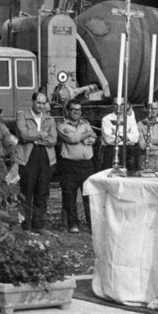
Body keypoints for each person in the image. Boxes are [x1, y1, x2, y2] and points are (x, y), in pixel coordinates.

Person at [15, 92, 57, 232]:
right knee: (26, 190)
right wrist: (40, 135)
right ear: (32, 102)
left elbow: (52, 140)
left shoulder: (49, 119)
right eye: (38, 102)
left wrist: (33, 137)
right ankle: (25, 225)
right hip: (28, 156)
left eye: (43, 103)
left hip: (45, 157)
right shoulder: (22, 115)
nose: (41, 106)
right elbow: (22, 134)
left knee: (42, 191)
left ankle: (38, 225)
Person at [56, 100, 97, 233]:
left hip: (86, 165)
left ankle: (92, 224)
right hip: (69, 165)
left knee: (89, 195)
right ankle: (73, 224)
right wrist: (86, 135)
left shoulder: (85, 124)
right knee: (70, 195)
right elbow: (72, 139)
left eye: (79, 110)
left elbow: (94, 138)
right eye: (73, 109)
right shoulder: (62, 126)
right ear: (68, 111)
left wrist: (82, 137)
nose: (76, 112)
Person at [100, 105, 140, 171]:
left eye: (122, 104)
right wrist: (127, 137)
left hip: (128, 152)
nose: (120, 107)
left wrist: (117, 135)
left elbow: (136, 138)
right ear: (113, 105)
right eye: (116, 104)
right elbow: (109, 139)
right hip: (111, 152)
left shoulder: (130, 119)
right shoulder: (106, 119)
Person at [137, 104, 158, 173]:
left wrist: (152, 140)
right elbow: (142, 146)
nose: (153, 111)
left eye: (155, 108)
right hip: (147, 159)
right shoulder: (140, 124)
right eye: (150, 108)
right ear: (146, 109)